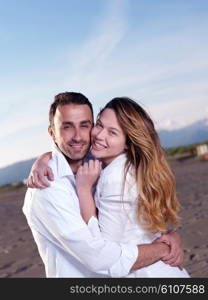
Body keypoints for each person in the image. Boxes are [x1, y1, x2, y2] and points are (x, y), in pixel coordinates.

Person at [24, 92, 186, 278]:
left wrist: (170, 237)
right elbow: (101, 257)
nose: (78, 137)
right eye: (67, 127)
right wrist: (162, 248)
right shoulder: (48, 186)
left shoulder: (105, 166)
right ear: (52, 132)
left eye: (85, 125)